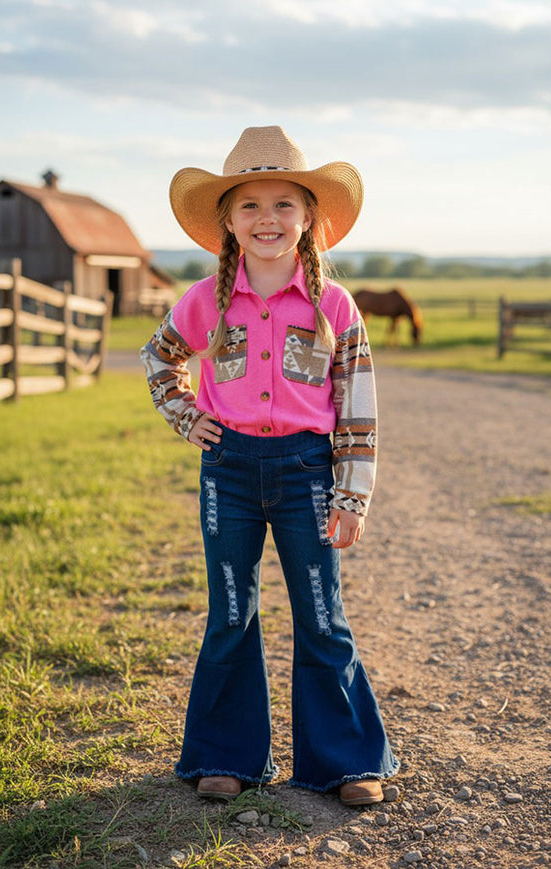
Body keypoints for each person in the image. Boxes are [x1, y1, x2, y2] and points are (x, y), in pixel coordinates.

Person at [141, 126, 399, 806]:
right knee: (231, 610)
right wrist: (184, 410)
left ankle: (343, 761)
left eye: (284, 203)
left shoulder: (333, 306)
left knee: (321, 613)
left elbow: (358, 408)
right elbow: (157, 356)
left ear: (310, 216)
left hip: (307, 472)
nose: (268, 218)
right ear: (227, 219)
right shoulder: (206, 301)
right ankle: (227, 754)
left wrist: (351, 495)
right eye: (250, 205)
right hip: (228, 467)